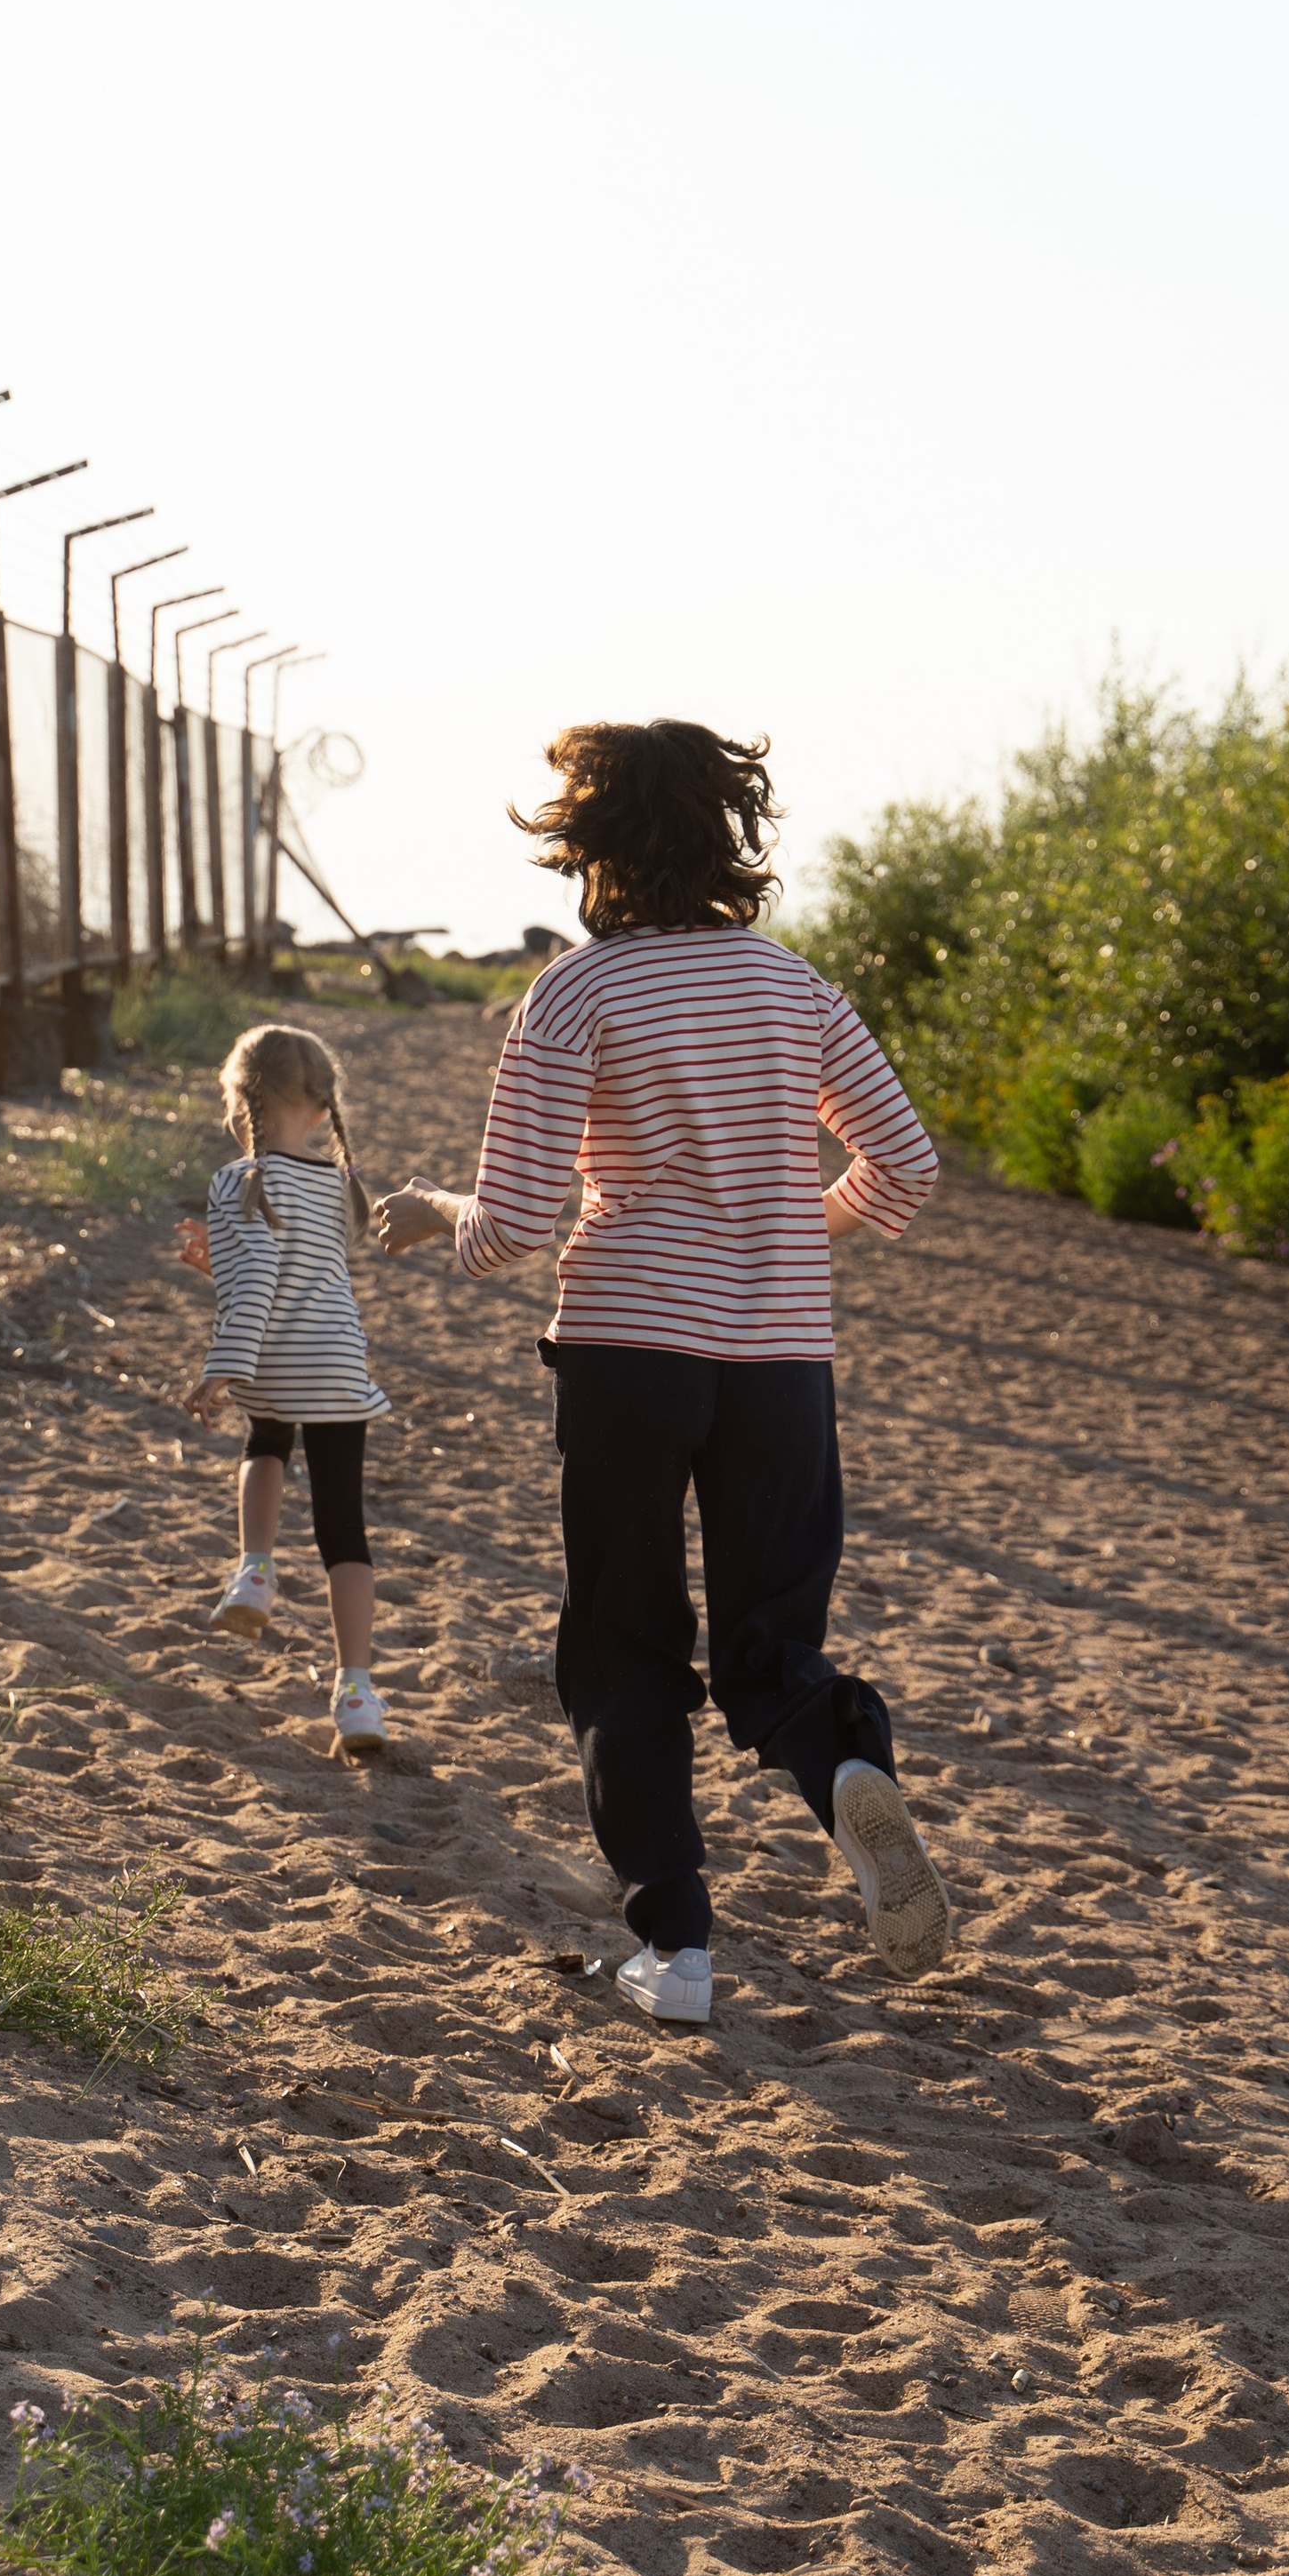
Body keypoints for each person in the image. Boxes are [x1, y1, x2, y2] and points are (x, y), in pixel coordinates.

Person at [373, 717, 949, 2022]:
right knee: (767, 1640)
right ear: (723, 830)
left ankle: (677, 1950)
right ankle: (839, 1760)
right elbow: (903, 1167)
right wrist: (785, 1229)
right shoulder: (796, 987)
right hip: (782, 1362)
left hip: (631, 1347)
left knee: (624, 1638)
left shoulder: (578, 992)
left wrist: (433, 1214)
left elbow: (515, 1228)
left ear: (592, 844)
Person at [183, 1024, 393, 1755]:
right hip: (337, 1363)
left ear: (242, 1105)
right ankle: (357, 1692)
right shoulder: (337, 1185)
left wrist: (222, 1366)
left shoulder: (236, 1180)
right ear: (318, 1108)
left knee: (264, 1437)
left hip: (272, 1362)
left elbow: (260, 1284)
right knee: (346, 1530)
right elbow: (296, 1277)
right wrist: (225, 1266)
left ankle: (255, 1573)